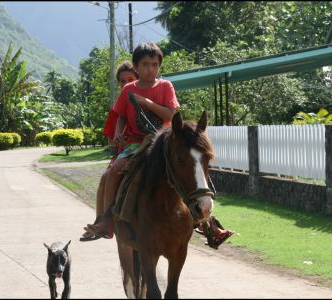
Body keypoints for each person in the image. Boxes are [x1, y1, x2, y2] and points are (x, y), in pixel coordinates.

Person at [83, 42, 233, 249]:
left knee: (190, 171)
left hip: (163, 142)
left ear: (159, 66)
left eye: (154, 64)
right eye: (145, 64)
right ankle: (106, 220)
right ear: (136, 67)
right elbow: (122, 117)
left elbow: (171, 115)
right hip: (136, 143)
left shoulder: (165, 87)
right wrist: (118, 133)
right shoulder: (128, 90)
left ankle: (208, 224)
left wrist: (145, 102)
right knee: (113, 171)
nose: (150, 69)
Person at [80, 61, 138, 241]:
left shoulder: (148, 98)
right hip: (124, 152)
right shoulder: (116, 109)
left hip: (147, 147)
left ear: (137, 79)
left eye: (130, 79)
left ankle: (203, 221)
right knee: (106, 178)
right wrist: (121, 139)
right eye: (122, 80)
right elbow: (110, 139)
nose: (126, 83)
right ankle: (102, 221)